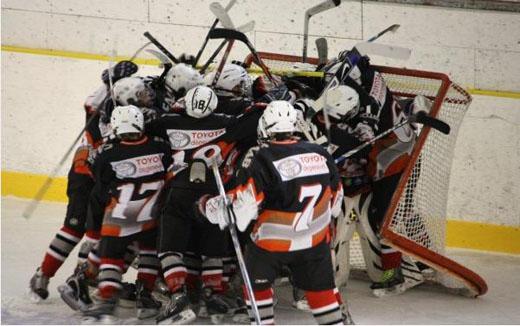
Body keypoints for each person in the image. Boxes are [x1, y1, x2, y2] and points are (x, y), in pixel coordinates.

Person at [203, 100, 349, 325]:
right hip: (315, 240)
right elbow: (336, 203)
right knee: (322, 292)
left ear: (264, 128)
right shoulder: (321, 152)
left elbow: (243, 213)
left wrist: (211, 206)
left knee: (255, 284)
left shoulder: (263, 158)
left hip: (273, 242)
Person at [146, 85, 264, 324]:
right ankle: (213, 294)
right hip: (212, 195)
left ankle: (178, 296)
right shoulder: (227, 122)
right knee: (213, 248)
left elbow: (145, 124)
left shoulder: (170, 121)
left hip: (179, 192)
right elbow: (255, 116)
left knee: (169, 248)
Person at [28, 60, 138, 302]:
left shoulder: (128, 114)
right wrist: (106, 80)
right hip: (84, 177)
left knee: (99, 232)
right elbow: (91, 102)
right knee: (76, 227)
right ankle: (44, 274)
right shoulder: (103, 110)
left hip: (105, 179)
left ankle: (83, 281)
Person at [80, 105, 173, 322]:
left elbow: (100, 186)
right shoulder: (161, 148)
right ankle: (145, 298)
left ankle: (106, 300)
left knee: (111, 256)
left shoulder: (108, 153)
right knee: (150, 253)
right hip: (151, 214)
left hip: (120, 216)